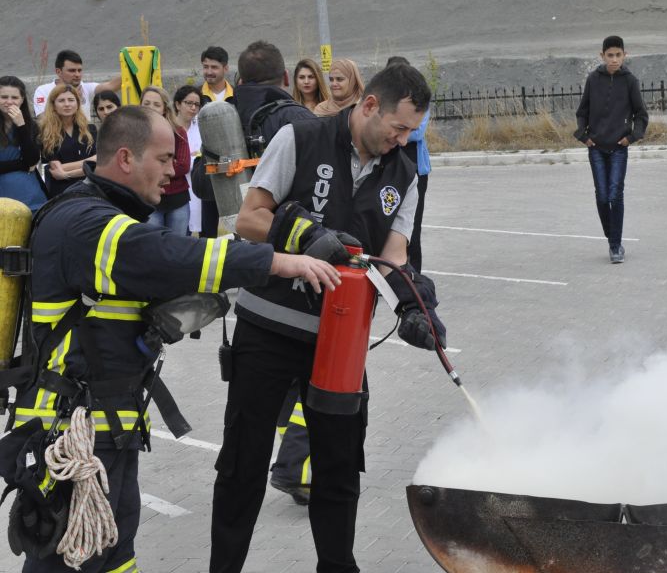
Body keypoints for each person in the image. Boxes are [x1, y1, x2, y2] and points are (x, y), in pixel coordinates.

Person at [9, 104, 340, 573]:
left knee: (111, 552)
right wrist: (276, 262)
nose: (174, 171)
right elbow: (167, 256)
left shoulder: (102, 213)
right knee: (74, 559)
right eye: (165, 159)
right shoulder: (85, 223)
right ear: (126, 158)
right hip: (73, 434)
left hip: (105, 428)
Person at [210, 62, 444, 573]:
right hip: (267, 328)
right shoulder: (300, 138)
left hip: (339, 341)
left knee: (338, 470)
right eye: (398, 127)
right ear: (368, 107)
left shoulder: (403, 173)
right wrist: (303, 236)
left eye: (412, 132)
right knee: (243, 466)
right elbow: (249, 219)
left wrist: (415, 307)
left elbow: (395, 257)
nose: (403, 141)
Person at [574, 35, 649, 264]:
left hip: (618, 148)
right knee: (602, 196)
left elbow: (641, 115)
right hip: (596, 147)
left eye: (618, 55)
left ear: (625, 55)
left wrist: (631, 137)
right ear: (602, 56)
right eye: (610, 55)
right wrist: (585, 137)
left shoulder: (630, 81)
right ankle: (612, 235)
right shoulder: (593, 80)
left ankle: (615, 246)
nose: (614, 59)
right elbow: (582, 112)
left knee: (615, 196)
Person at [388, 56, 433, 271]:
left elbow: (417, 132)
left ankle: (414, 275)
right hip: (388, 169)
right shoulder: (383, 102)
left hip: (416, 170)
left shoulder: (420, 103)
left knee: (411, 229)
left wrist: (395, 125)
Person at [140, 86, 190, 235]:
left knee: (178, 248)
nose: (151, 108)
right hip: (148, 201)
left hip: (177, 200)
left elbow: (183, 165)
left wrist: (152, 166)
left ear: (164, 109)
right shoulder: (134, 133)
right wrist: (168, 163)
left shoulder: (178, 132)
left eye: (156, 104)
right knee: (153, 249)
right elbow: (137, 166)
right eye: (146, 103)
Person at [37, 85, 96, 198]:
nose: (67, 104)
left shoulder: (90, 129)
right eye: (61, 100)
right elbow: (54, 168)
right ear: (53, 105)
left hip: (90, 188)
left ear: (77, 104)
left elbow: (97, 165)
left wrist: (66, 173)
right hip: (61, 191)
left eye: (71, 100)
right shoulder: (46, 133)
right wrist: (88, 162)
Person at [0, 76, 46, 212]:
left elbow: (32, 159)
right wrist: (21, 165)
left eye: (14, 97)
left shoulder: (31, 125)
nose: (9, 102)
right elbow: (27, 164)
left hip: (28, 195)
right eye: (4, 97)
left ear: (22, 99)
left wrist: (21, 126)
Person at [32, 50, 120, 116]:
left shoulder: (85, 88)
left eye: (79, 70)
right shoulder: (43, 90)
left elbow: (111, 87)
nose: (77, 74)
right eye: (72, 71)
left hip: (83, 138)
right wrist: (73, 99)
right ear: (58, 72)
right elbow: (42, 119)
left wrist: (131, 68)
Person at [173, 85, 205, 234]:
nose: (193, 108)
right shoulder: (169, 128)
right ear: (178, 104)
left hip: (196, 185)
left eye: (197, 105)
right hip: (175, 189)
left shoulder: (201, 128)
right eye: (189, 103)